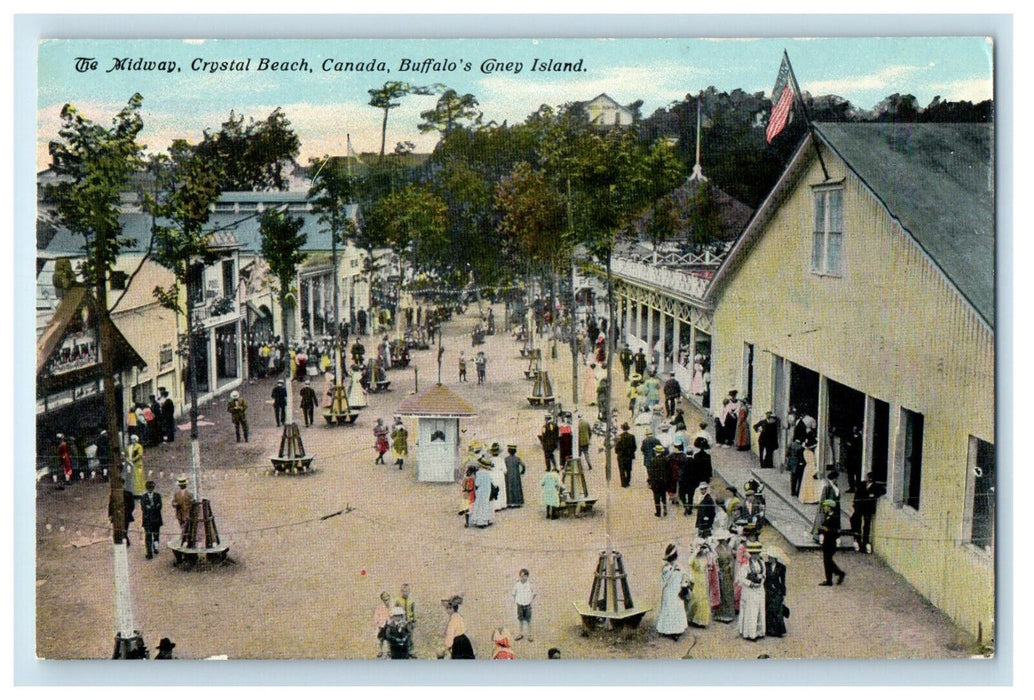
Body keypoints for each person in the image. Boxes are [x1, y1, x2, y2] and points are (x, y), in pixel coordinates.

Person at [656, 544, 689, 640]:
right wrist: (672, 570)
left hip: (676, 591)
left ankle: (676, 630)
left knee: (676, 608)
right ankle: (667, 629)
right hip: (669, 592)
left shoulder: (679, 566)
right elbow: (663, 580)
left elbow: (684, 577)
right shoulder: (666, 568)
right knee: (669, 608)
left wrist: (684, 587)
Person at [850, 472, 887, 553]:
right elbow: (856, 495)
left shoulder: (876, 487)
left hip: (868, 509)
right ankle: (857, 540)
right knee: (856, 523)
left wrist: (874, 495)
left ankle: (865, 542)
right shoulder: (861, 485)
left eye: (868, 478)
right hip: (859, 508)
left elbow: (883, 491)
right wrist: (855, 504)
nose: (866, 479)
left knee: (866, 526)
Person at [736, 541, 766, 640]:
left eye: (757, 554)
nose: (756, 556)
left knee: (760, 610)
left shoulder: (761, 563)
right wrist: (750, 583)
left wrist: (761, 580)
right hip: (750, 591)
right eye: (754, 554)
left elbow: (764, 574)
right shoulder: (746, 565)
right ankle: (750, 633)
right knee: (751, 611)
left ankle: (760, 631)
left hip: (759, 589)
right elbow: (741, 578)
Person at [818, 499, 846, 586]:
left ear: (830, 508)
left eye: (825, 507)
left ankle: (834, 576)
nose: (824, 508)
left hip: (830, 543)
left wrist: (826, 530)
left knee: (827, 561)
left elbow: (836, 531)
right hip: (826, 542)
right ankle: (832, 577)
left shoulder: (835, 518)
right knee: (827, 561)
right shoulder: (828, 516)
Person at [764, 547, 789, 637]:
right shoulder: (765, 565)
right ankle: (769, 629)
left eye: (771, 557)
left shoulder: (781, 567)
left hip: (777, 589)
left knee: (777, 610)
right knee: (769, 609)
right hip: (767, 589)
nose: (769, 558)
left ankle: (778, 630)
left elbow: (783, 580)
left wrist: (783, 593)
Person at [687, 543, 712, 628]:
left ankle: (701, 621)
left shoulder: (704, 557)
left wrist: (708, 549)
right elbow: (689, 563)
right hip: (696, 580)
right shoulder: (693, 558)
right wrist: (695, 552)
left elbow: (710, 563)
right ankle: (692, 618)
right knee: (696, 599)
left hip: (703, 580)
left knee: (703, 600)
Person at [140, 480, 163, 560]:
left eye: (151, 487)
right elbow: (143, 508)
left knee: (156, 535)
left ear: (153, 488)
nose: (150, 489)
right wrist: (154, 507)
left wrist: (150, 507)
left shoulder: (158, 496)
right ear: (146, 488)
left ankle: (156, 547)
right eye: (149, 488)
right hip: (147, 520)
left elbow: (160, 506)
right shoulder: (143, 497)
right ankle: (149, 552)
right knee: (148, 536)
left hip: (156, 520)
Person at [511, 568, 536, 642]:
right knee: (520, 620)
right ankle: (520, 634)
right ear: (519, 576)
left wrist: (530, 600)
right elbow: (513, 593)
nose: (523, 578)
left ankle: (530, 635)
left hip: (527, 605)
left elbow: (534, 593)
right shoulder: (517, 584)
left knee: (529, 620)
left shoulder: (530, 584)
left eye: (525, 576)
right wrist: (518, 601)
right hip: (520, 605)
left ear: (527, 577)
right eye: (521, 576)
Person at [470, 457, 495, 528]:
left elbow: (477, 483)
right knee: (487, 504)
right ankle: (488, 519)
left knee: (479, 505)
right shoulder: (489, 473)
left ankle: (480, 521)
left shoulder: (479, 473)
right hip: (488, 490)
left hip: (481, 491)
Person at [647, 444, 670, 518]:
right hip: (664, 481)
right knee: (663, 496)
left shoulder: (653, 461)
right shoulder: (666, 460)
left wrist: (649, 481)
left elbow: (650, 473)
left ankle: (658, 512)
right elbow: (668, 471)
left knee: (656, 497)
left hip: (655, 482)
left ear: (656, 451)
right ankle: (665, 508)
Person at [395, 583, 417, 658]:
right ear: (401, 591)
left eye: (407, 591)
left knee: (410, 637)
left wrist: (414, 620)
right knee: (402, 636)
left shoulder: (411, 601)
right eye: (403, 591)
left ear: (409, 592)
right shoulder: (398, 601)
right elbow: (395, 610)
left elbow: (413, 611)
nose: (405, 593)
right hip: (402, 622)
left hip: (409, 622)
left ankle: (411, 651)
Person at [797, 439, 822, 504]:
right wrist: (815, 470)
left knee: (807, 483)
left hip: (807, 468)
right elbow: (812, 462)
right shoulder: (810, 453)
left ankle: (806, 498)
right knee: (811, 484)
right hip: (811, 468)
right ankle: (811, 499)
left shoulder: (805, 451)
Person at [614, 422, 636, 488]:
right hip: (629, 456)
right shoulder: (632, 436)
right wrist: (631, 452)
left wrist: (618, 452)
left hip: (621, 456)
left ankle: (623, 483)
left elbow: (616, 448)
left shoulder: (619, 437)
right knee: (629, 470)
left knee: (622, 470)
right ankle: (627, 481)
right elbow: (634, 447)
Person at [503, 442, 526, 508]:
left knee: (509, 487)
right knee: (517, 487)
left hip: (508, 475)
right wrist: (522, 472)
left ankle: (510, 502)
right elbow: (523, 465)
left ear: (508, 451)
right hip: (516, 475)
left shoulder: (506, 459)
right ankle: (518, 502)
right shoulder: (517, 459)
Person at [488, 443, 508, 512]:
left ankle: (495, 505)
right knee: (501, 489)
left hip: (492, 475)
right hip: (500, 475)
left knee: (494, 489)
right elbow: (505, 470)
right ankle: (502, 504)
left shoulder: (490, 460)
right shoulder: (501, 460)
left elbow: (488, 469)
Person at [127, 434, 146, 500]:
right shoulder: (129, 447)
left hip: (137, 465)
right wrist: (128, 460)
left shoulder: (139, 446)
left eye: (134, 439)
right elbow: (127, 454)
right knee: (131, 478)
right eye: (132, 439)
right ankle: (133, 492)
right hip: (130, 465)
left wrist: (133, 460)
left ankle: (139, 492)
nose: (133, 441)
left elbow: (140, 455)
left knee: (138, 478)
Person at [373, 591, 392, 658]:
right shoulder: (379, 608)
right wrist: (377, 624)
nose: (387, 601)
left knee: (389, 639)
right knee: (381, 639)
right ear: (382, 600)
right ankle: (380, 651)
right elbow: (376, 616)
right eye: (385, 600)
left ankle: (389, 651)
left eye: (387, 599)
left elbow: (392, 615)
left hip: (389, 625)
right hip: (382, 625)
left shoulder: (391, 607)